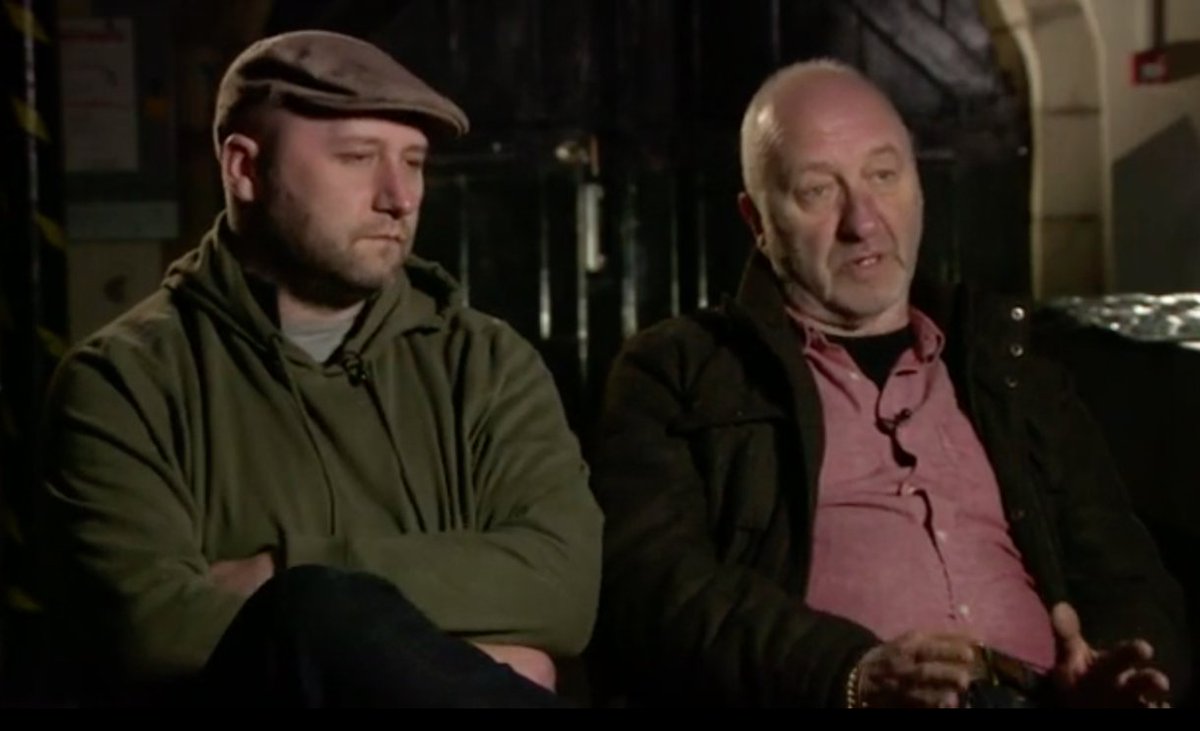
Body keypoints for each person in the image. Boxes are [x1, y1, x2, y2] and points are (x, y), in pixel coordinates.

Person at [589, 59, 1189, 708]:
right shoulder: (678, 371)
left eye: (883, 175)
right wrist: (849, 674)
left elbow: (1127, 574)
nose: (863, 221)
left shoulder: (1010, 367)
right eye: (818, 191)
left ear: (918, 186)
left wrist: (1121, 674)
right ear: (757, 221)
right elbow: (653, 587)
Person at [37, 29, 602, 708]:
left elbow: (564, 585)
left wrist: (282, 571)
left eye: (414, 162)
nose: (400, 197)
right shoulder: (124, 382)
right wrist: (463, 666)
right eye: (358, 157)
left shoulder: (486, 366)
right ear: (244, 169)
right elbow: (151, 631)